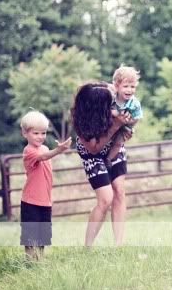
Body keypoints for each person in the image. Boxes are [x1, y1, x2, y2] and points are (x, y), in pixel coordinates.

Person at [70, 81, 133, 246]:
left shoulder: (107, 91)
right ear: (96, 106)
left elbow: (126, 99)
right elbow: (94, 149)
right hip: (93, 156)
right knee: (105, 199)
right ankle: (88, 247)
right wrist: (115, 126)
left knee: (119, 190)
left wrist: (126, 130)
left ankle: (118, 245)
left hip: (114, 147)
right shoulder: (81, 122)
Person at [19, 110, 71, 260]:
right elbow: (43, 157)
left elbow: (46, 156)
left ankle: (39, 260)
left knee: (42, 234)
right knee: (31, 234)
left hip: (45, 200)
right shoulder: (29, 151)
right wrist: (59, 150)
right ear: (25, 133)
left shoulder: (45, 148)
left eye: (43, 133)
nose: (40, 137)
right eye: (36, 133)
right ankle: (30, 260)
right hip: (31, 201)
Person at [106, 65, 143, 164]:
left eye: (132, 87)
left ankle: (108, 160)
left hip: (126, 126)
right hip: (110, 123)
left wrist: (129, 122)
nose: (129, 90)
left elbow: (137, 117)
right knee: (106, 135)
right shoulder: (111, 97)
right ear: (117, 86)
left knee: (118, 143)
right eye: (126, 86)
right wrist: (115, 114)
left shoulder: (134, 103)